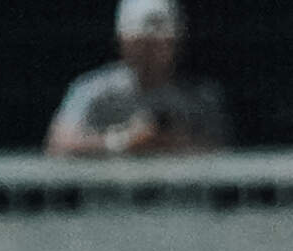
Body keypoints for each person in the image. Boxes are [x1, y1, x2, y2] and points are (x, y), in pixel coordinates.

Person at [46, 0, 227, 157]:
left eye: (159, 44)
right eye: (140, 43)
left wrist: (171, 144)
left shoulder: (200, 96)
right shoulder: (93, 89)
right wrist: (123, 140)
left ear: (176, 43)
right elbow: (58, 144)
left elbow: (221, 150)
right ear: (122, 42)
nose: (149, 53)